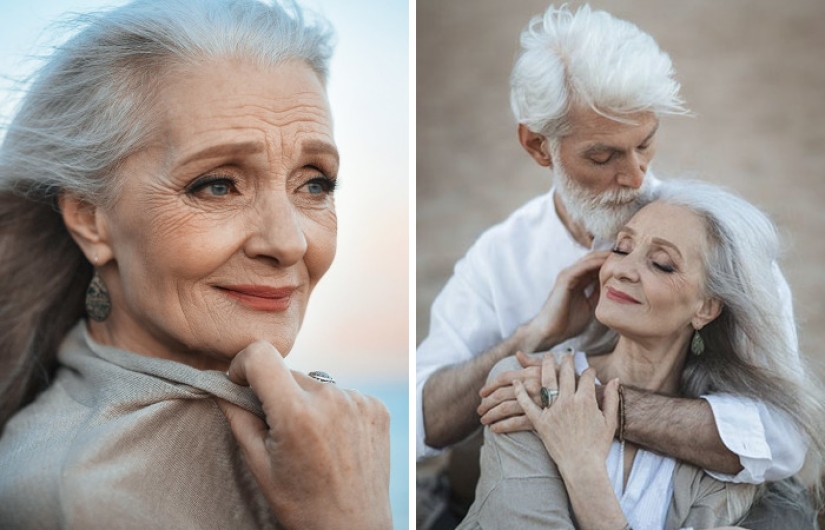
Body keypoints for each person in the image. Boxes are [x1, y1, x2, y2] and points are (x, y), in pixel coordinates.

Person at [416, 4, 815, 527]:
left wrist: (586, 407)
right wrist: (534, 335)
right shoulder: (499, 258)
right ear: (538, 145)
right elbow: (425, 424)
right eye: (603, 157)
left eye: (645, 143)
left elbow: (783, 439)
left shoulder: (721, 246)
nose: (635, 177)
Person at [0, 0, 391, 528]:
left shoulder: (321, 432)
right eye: (217, 185)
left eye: (313, 182)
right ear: (91, 219)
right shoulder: (81, 499)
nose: (289, 242)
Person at [457, 179, 825, 529]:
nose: (623, 270)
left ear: (706, 309)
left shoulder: (729, 445)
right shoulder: (529, 382)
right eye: (621, 247)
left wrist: (583, 467)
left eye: (662, 263)